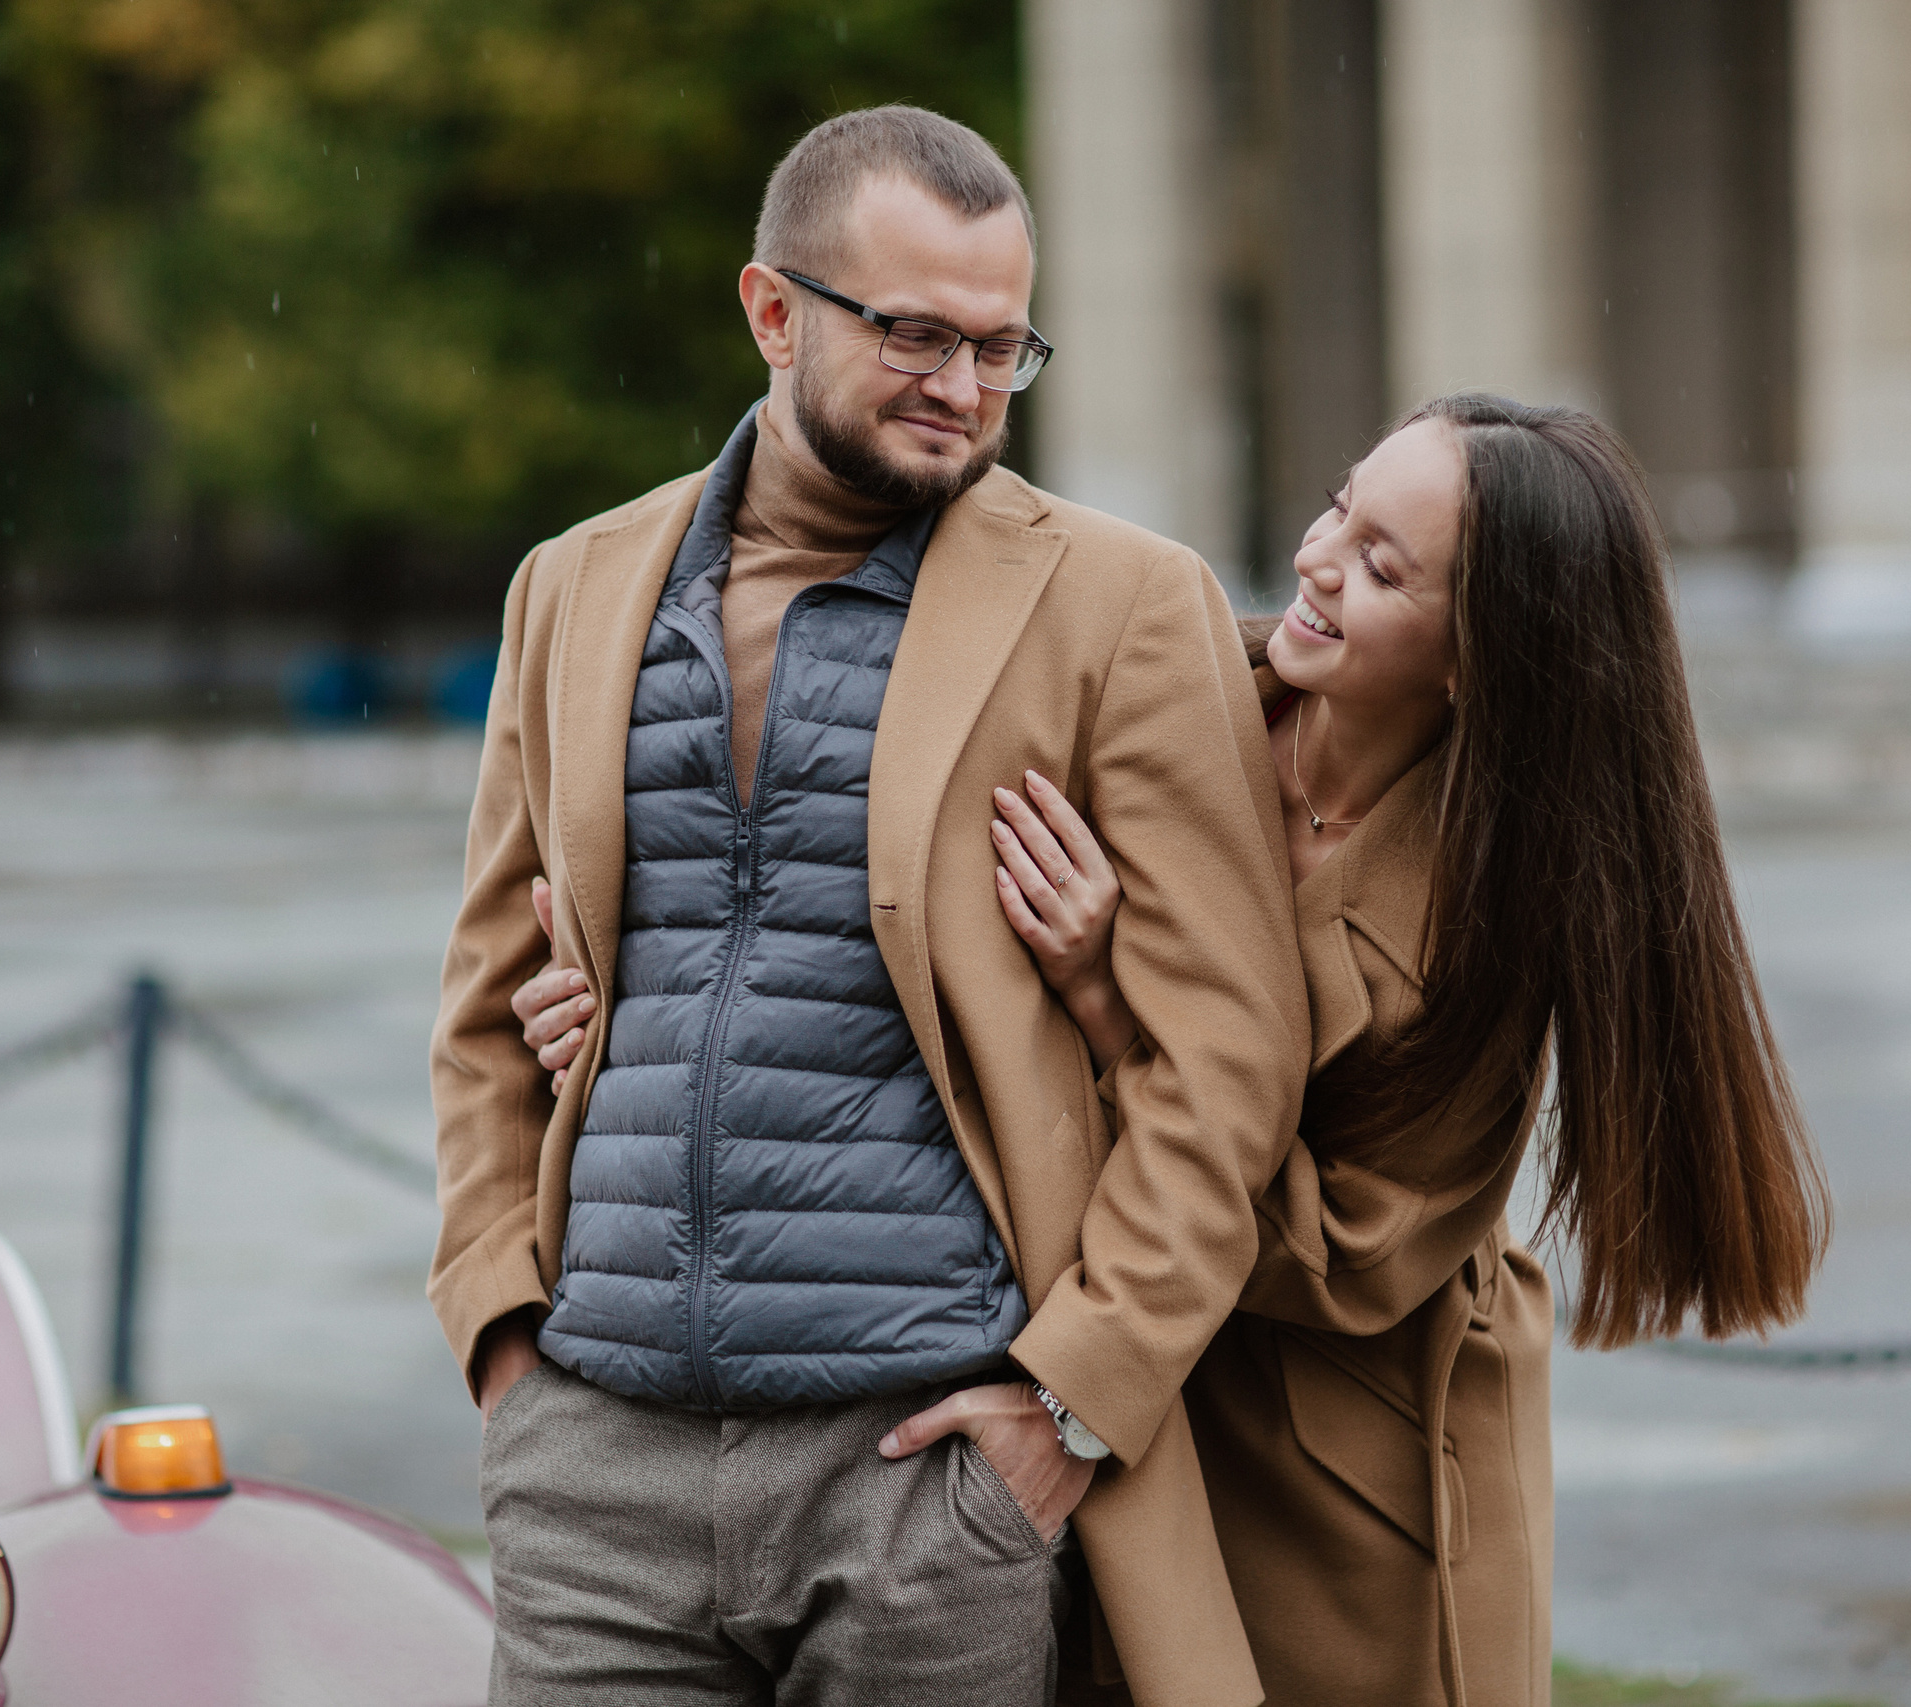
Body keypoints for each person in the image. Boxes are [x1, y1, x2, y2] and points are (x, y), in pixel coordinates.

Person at [433, 105, 1310, 1707]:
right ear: (773, 311)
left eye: (1002, 348)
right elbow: (486, 998)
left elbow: (1231, 1061)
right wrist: (501, 1334)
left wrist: (1070, 1409)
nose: (965, 390)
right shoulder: (574, 583)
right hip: (595, 1474)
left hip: (923, 1477)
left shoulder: (1122, 603)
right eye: (915, 334)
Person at [968, 394, 1831, 1706]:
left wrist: (1107, 1001)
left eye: (1383, 566)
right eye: (1337, 507)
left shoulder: (1491, 922)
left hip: (1343, 1439)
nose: (1316, 560)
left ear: (1472, 657)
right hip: (1122, 1351)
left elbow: (1349, 1261)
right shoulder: (1175, 704)